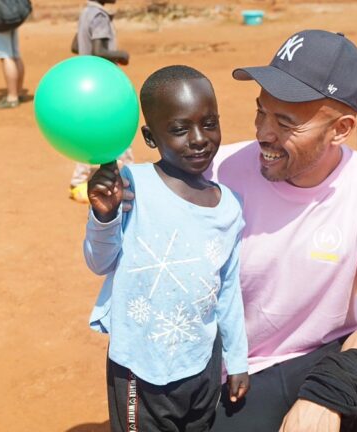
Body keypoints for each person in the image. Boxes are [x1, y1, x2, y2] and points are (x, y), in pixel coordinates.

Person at [203, 30, 357, 432]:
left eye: (285, 122)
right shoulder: (216, 173)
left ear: (341, 129)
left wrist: (327, 394)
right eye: (261, 112)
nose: (263, 133)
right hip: (240, 370)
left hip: (328, 351)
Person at [83, 65, 249, 431]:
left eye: (209, 123)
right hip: (140, 366)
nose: (199, 139)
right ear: (150, 137)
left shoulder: (229, 206)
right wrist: (104, 215)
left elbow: (228, 289)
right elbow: (99, 262)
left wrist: (237, 360)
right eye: (179, 129)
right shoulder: (131, 186)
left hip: (202, 363)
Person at [69, 0, 133, 203]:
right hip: (102, 82)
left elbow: (75, 46)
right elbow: (99, 51)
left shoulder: (86, 12)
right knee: (118, 127)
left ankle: (78, 179)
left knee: (89, 130)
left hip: (87, 81)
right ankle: (129, 176)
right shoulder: (99, 16)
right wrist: (120, 55)